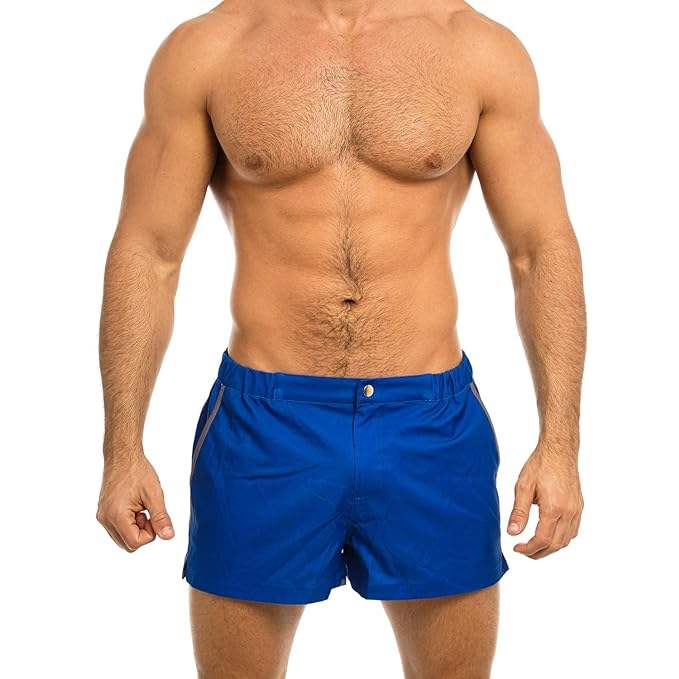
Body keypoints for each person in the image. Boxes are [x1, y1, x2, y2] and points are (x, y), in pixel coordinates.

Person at [96, 1, 586, 677]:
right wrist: (121, 448)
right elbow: (148, 254)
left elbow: (539, 249)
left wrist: (560, 445)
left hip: (429, 420)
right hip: (266, 421)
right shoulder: (211, 47)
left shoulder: (475, 48)